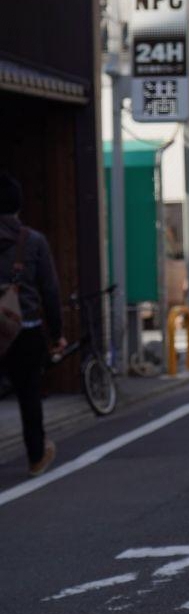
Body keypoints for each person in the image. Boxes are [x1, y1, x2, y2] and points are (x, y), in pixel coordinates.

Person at [0, 171, 65, 477]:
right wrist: (57, 333)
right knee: (28, 394)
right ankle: (36, 456)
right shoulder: (33, 241)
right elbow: (50, 291)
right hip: (25, 330)